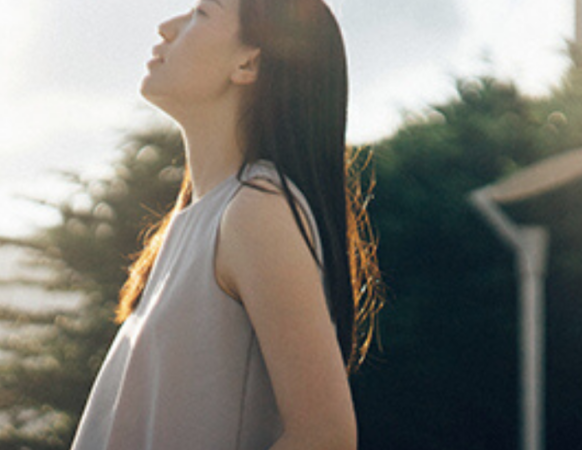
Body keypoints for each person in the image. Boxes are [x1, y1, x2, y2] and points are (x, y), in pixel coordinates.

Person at [70, 0, 381, 448]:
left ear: (248, 62)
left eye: (201, 12)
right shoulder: (194, 221)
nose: (166, 26)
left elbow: (325, 437)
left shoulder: (257, 210)